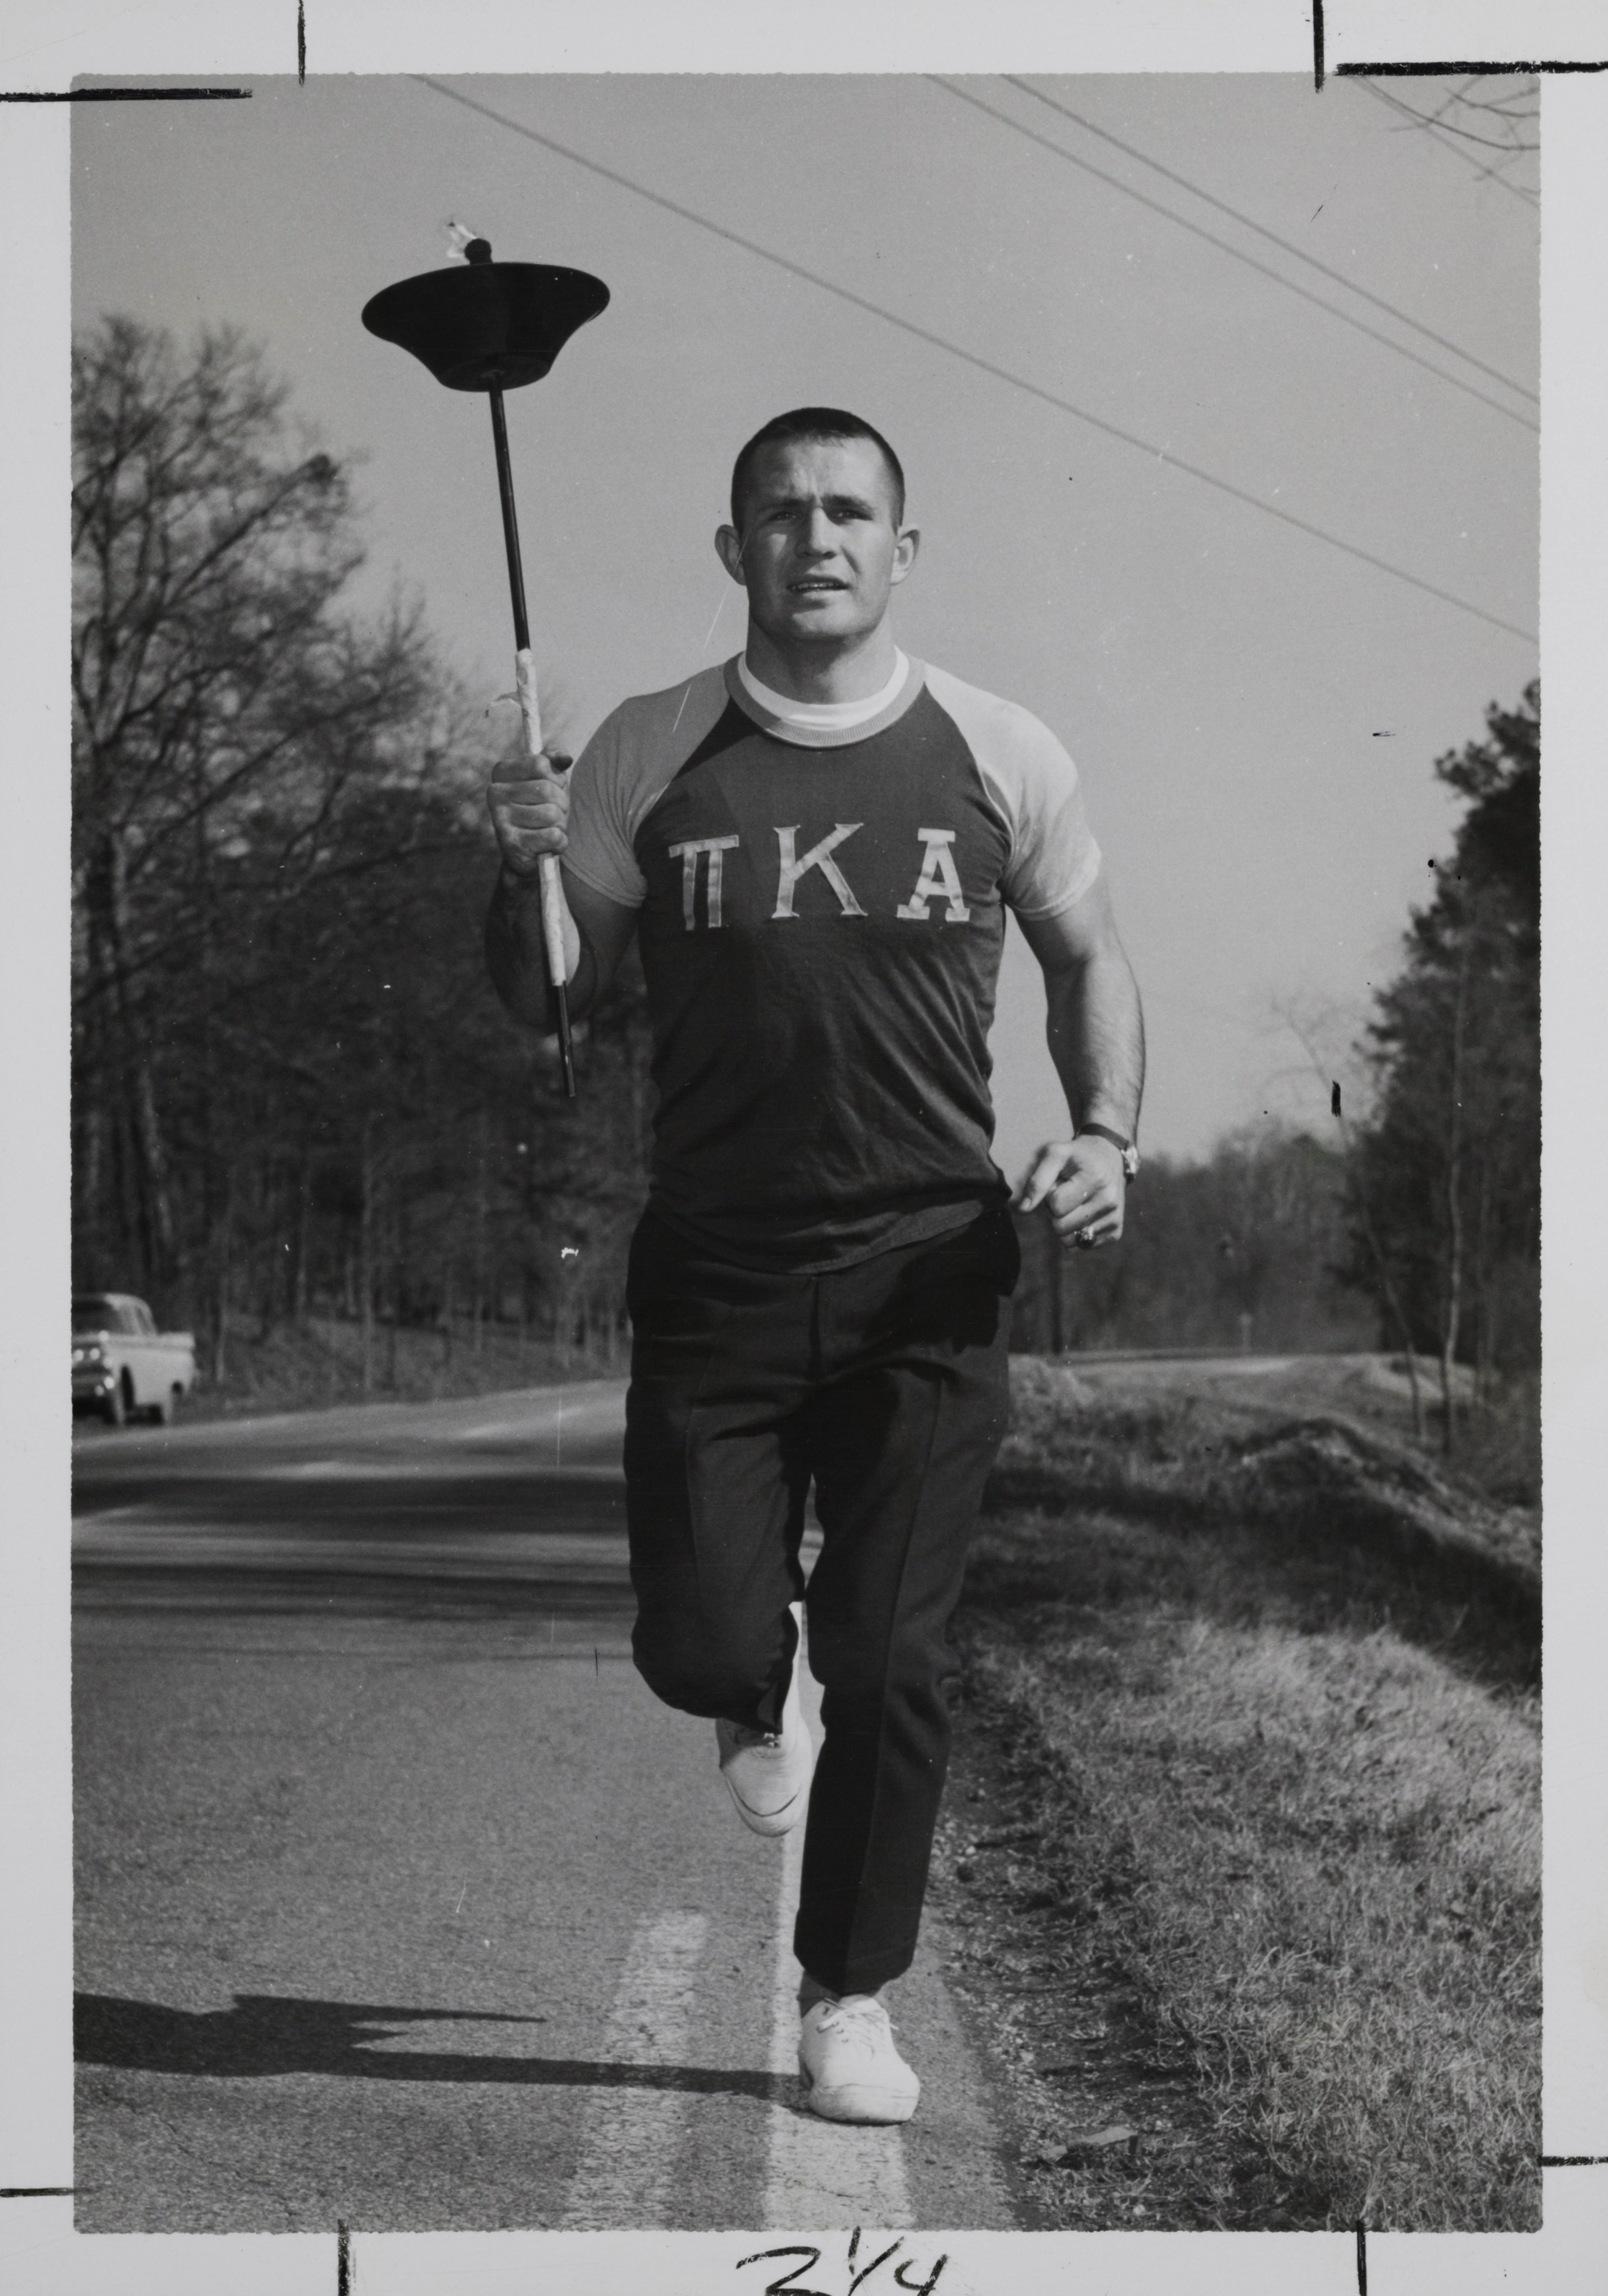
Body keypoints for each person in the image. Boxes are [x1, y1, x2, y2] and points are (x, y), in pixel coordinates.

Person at [484, 407, 1143, 2126]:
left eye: (851, 511)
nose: (818, 538)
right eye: (781, 513)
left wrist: (1108, 1131)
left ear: (901, 547)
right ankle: (734, 1678)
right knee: (707, 1637)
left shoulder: (1000, 750)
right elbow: (544, 992)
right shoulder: (645, 749)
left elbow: (1087, 955)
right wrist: (516, 860)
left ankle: (847, 1997)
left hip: (929, 1272)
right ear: (734, 550)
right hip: (712, 1273)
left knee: (891, 1654)